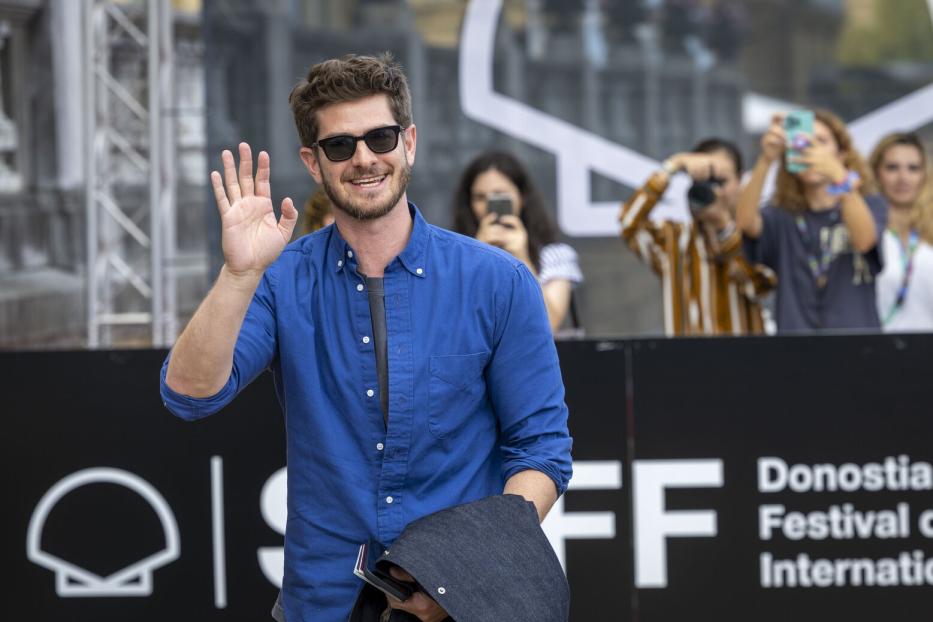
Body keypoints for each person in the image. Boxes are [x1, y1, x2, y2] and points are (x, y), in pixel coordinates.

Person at [159, 53, 572, 622]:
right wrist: (238, 274)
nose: (363, 159)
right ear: (312, 161)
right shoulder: (280, 279)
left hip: (455, 607)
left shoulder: (498, 281)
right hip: (320, 601)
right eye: (339, 146)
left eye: (379, 137)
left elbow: (542, 451)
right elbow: (189, 394)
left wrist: (468, 571)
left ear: (409, 142)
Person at [737, 109, 886, 332]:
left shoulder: (868, 203)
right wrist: (766, 159)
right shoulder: (781, 215)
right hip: (797, 347)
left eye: (821, 141)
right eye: (802, 142)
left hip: (857, 345)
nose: (810, 149)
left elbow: (864, 240)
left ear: (841, 153)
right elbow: (745, 222)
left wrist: (838, 175)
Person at [619, 139, 776, 336]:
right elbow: (628, 223)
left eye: (720, 181)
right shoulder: (673, 238)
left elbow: (758, 287)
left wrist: (723, 228)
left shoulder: (755, 233)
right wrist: (671, 167)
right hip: (686, 361)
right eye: (704, 182)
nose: (713, 190)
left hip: (743, 360)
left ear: (739, 182)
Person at [452, 151, 583, 334]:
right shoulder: (453, 254)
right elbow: (454, 323)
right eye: (480, 198)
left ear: (521, 197)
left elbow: (548, 325)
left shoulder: (556, 255)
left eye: (500, 195)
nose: (489, 204)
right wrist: (478, 255)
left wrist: (522, 259)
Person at [870, 132, 933, 331]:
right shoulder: (865, 231)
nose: (903, 178)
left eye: (913, 168)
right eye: (892, 168)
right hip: (873, 351)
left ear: (925, 174)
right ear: (876, 172)